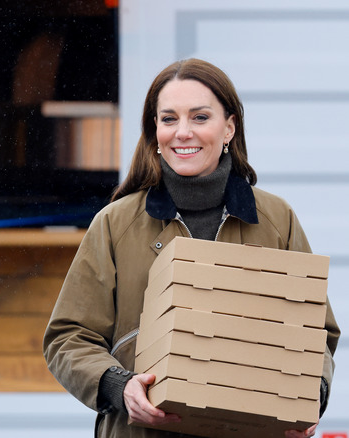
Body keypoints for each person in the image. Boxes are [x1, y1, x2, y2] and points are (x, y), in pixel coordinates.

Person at [43, 58, 340, 438]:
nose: (183, 132)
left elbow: (316, 332)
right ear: (155, 130)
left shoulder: (276, 220)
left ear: (229, 127)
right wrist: (119, 386)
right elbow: (68, 336)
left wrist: (306, 398)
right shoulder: (115, 224)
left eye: (200, 117)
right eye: (169, 119)